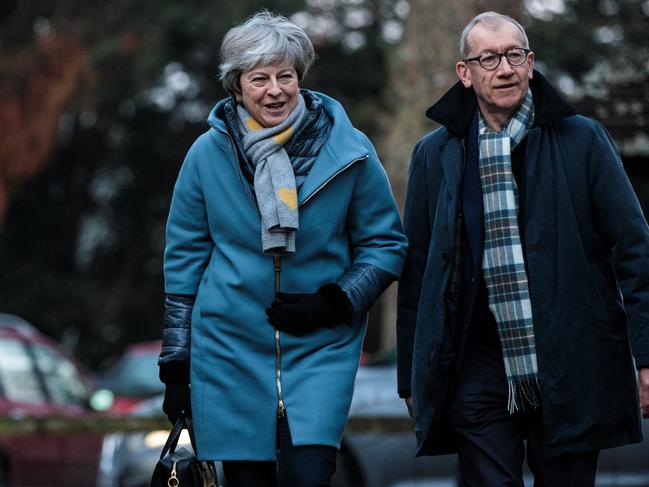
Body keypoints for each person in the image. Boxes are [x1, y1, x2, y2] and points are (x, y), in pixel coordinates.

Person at [396, 11, 649, 486]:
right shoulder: (436, 153)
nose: (504, 68)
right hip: (475, 367)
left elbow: (635, 251)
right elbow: (418, 268)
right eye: (488, 58)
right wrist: (413, 373)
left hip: (573, 359)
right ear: (464, 73)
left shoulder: (583, 140)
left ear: (531, 64)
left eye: (514, 55)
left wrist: (648, 356)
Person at [157, 10, 407, 487]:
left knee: (309, 475)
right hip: (229, 349)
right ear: (237, 86)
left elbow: (385, 243)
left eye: (285, 76)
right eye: (260, 78)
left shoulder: (349, 149)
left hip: (321, 346)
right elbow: (184, 262)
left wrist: (336, 301)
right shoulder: (206, 155)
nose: (275, 90)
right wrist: (176, 363)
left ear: (300, 78)